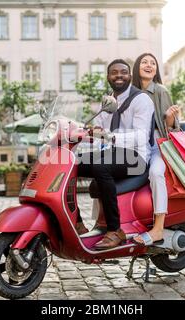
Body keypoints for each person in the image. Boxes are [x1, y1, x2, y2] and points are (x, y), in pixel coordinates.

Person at [75, 59, 155, 250]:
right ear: (108, 77)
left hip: (137, 157)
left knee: (100, 167)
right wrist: (80, 132)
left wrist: (110, 137)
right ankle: (76, 222)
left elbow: (142, 136)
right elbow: (99, 129)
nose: (119, 75)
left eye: (123, 72)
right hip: (115, 152)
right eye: (114, 72)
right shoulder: (108, 101)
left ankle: (115, 230)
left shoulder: (141, 99)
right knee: (72, 163)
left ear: (130, 76)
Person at [131, 53, 180, 246]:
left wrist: (169, 116)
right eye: (144, 62)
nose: (149, 65)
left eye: (153, 63)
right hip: (133, 144)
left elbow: (173, 127)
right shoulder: (130, 92)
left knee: (156, 173)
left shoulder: (161, 91)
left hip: (156, 145)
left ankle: (158, 228)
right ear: (137, 67)